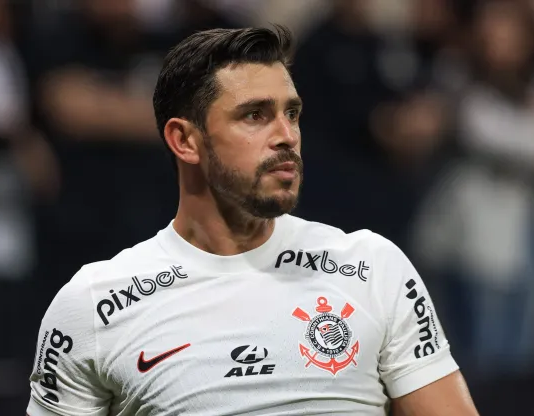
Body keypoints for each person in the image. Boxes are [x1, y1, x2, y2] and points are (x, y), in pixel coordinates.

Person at [26, 25, 480, 416]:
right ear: (184, 140)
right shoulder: (94, 306)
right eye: (255, 115)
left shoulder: (372, 267)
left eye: (292, 114)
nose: (286, 136)